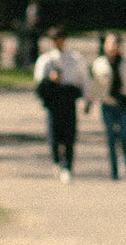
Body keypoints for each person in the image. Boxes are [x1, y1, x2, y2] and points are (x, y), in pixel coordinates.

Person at [34, 28, 90, 181]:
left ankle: (68, 165)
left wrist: (86, 99)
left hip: (68, 99)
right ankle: (56, 162)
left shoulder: (75, 58)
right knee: (54, 134)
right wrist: (50, 80)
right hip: (53, 100)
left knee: (69, 135)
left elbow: (83, 79)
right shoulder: (46, 60)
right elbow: (39, 83)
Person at [91, 32, 126, 180]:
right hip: (108, 104)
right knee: (111, 136)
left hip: (123, 104)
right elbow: (96, 86)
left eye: (115, 44)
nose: (112, 47)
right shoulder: (99, 64)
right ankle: (114, 170)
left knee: (124, 134)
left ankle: (125, 160)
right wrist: (89, 102)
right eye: (109, 44)